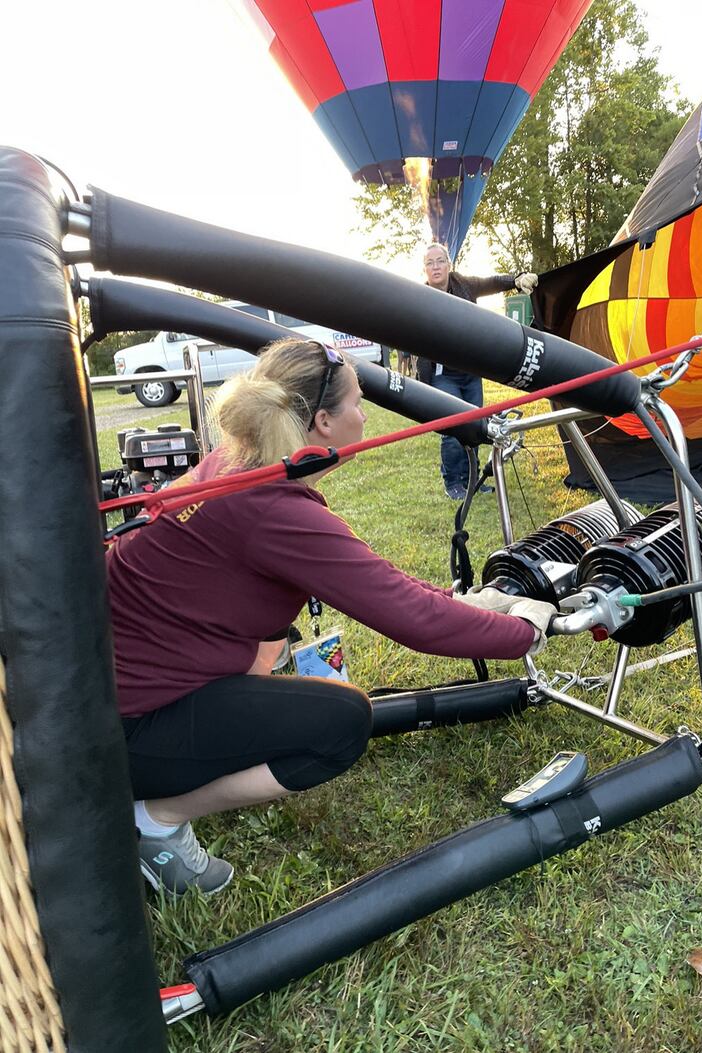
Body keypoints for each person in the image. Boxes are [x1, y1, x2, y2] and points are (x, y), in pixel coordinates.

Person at [107, 338, 557, 895]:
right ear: (322, 421)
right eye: (358, 403)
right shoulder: (273, 510)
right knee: (340, 724)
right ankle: (155, 818)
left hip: (106, 699)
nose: (365, 415)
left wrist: (471, 603)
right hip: (120, 735)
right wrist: (527, 631)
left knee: (274, 644)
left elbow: (384, 582)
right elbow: (412, 619)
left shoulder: (239, 463)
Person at [419, 243, 538, 501]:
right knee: (454, 426)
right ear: (425, 269)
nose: (436, 267)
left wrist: (516, 279)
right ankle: (453, 482)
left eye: (440, 261)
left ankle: (471, 481)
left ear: (449, 265)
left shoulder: (464, 285)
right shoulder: (417, 295)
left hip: (471, 372)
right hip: (442, 374)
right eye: (430, 263)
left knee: (474, 428)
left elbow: (491, 281)